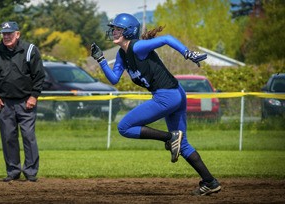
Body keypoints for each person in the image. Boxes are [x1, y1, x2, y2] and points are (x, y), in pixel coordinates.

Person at [91, 13, 221, 196]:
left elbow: (166, 39)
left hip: (167, 96)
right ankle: (210, 182)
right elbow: (114, 79)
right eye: (113, 29)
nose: (113, 31)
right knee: (182, 145)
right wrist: (101, 60)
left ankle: (169, 137)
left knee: (124, 127)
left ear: (129, 31)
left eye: (118, 29)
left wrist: (189, 54)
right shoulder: (122, 54)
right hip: (175, 94)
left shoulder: (137, 47)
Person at [0, 21, 45, 182]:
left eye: (10, 33)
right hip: (4, 103)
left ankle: (31, 172)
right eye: (4, 34)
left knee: (28, 136)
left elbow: (39, 76)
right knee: (8, 137)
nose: (6, 36)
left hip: (26, 102)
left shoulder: (30, 50)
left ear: (17, 34)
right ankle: (13, 171)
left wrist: (34, 96)